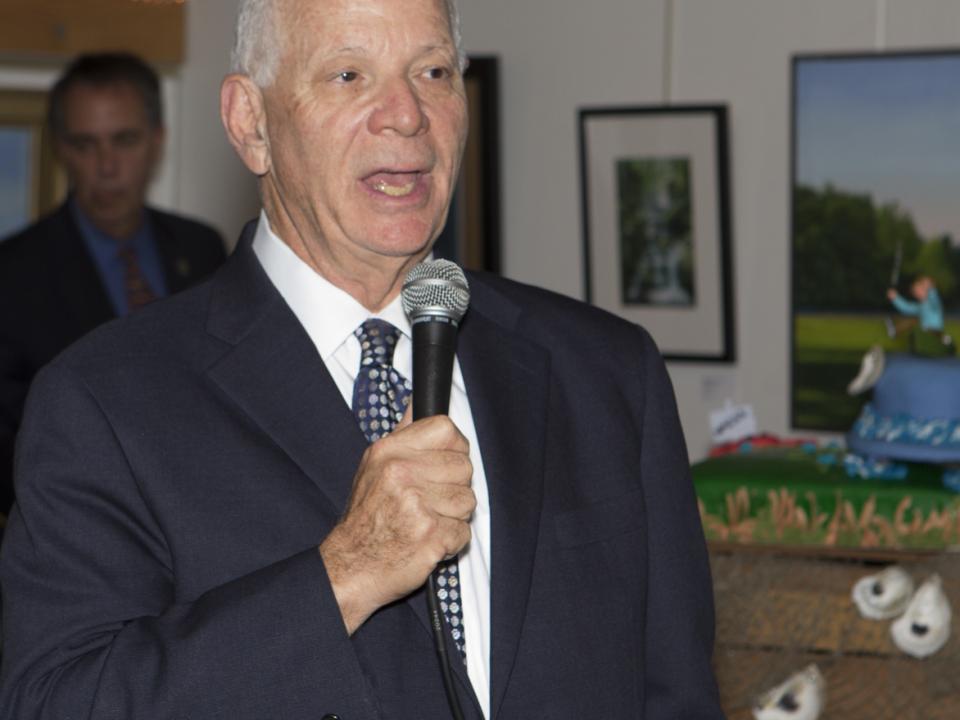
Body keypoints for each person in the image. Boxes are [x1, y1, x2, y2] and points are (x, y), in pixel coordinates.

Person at [0, 1, 724, 718]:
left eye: (433, 71)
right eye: (349, 74)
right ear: (251, 124)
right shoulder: (106, 403)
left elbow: (677, 695)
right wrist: (344, 574)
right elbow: (59, 702)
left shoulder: (604, 373)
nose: (406, 114)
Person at [0, 52, 226, 515]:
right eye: (85, 145)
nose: (106, 166)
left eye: (124, 140)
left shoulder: (202, 249)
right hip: (70, 531)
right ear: (61, 149)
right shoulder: (13, 273)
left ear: (157, 141)